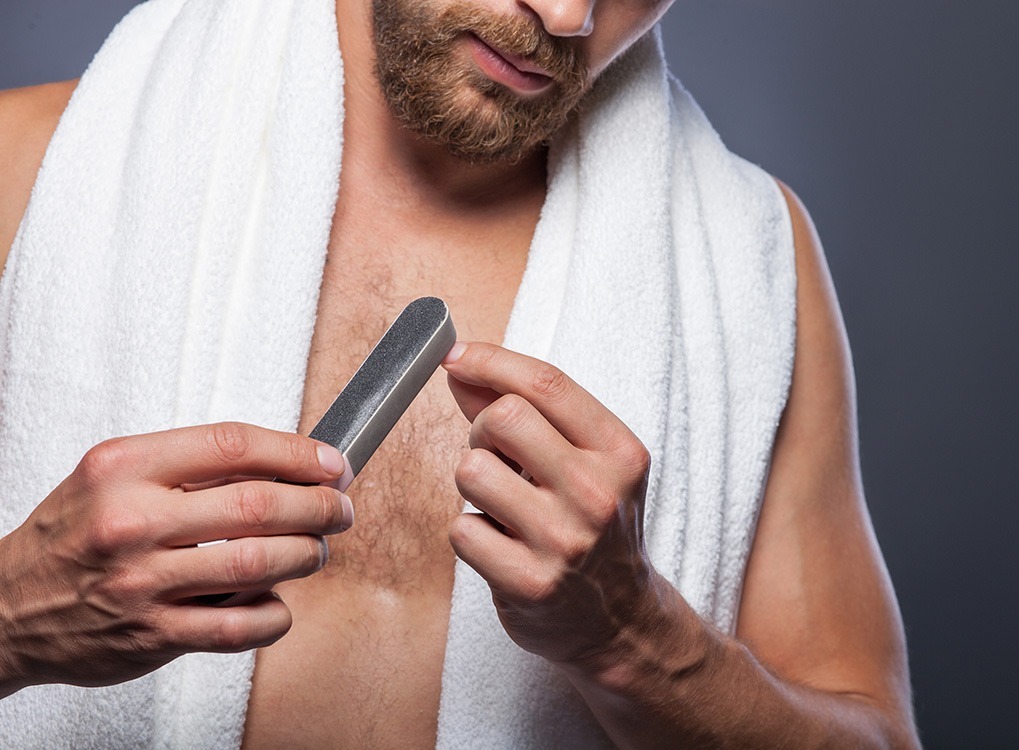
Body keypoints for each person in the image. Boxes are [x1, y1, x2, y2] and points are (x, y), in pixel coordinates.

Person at [0, 0, 919, 747]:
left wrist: (635, 639)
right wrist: (15, 614)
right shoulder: (27, 172)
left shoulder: (749, 272)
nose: (565, 14)